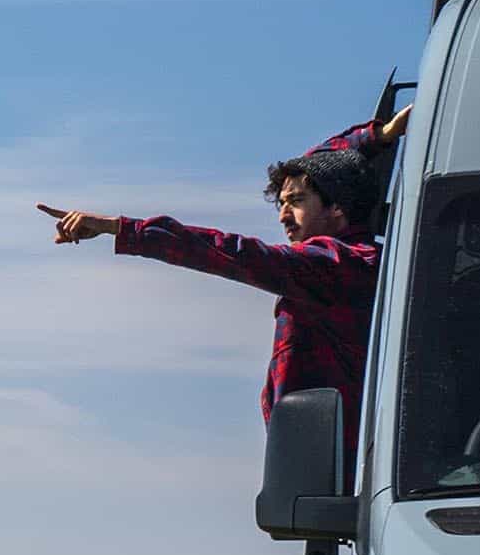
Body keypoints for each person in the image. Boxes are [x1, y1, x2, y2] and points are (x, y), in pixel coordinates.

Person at [38, 107, 407, 429]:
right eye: (280, 202)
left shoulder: (339, 265)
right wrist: (378, 136)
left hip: (330, 465)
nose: (282, 215)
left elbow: (234, 253)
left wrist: (123, 229)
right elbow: (318, 164)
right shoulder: (346, 259)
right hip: (316, 458)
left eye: (295, 201)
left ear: (337, 206)